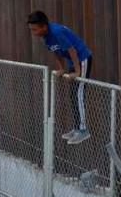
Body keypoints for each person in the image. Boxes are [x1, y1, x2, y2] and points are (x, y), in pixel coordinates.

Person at [27, 10, 92, 145]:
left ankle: (83, 130)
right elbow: (56, 52)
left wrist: (77, 71)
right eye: (31, 29)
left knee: (79, 93)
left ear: (44, 26)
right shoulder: (46, 36)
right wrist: (62, 68)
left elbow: (72, 50)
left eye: (35, 29)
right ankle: (77, 128)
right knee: (73, 95)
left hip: (82, 58)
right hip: (72, 62)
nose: (33, 32)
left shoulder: (56, 32)